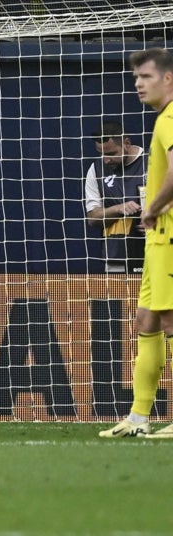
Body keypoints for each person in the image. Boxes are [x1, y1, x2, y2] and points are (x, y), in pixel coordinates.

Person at [99, 48, 173, 439]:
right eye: (135, 78)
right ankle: (138, 419)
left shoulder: (171, 118)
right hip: (159, 241)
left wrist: (151, 209)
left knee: (170, 320)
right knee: (146, 319)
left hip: (169, 234)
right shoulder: (163, 120)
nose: (138, 84)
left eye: (145, 76)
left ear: (168, 78)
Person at [85, 120, 147, 274]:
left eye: (111, 153)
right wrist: (119, 208)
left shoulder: (152, 162)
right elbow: (93, 217)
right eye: (101, 154)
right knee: (118, 297)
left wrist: (160, 221)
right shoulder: (96, 169)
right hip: (116, 255)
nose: (106, 160)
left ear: (126, 143)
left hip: (157, 249)